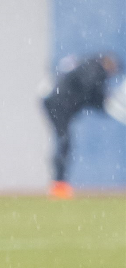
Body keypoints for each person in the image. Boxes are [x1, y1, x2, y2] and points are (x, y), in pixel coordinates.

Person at [42, 52, 122, 196]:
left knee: (64, 142)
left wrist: (104, 102)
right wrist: (104, 100)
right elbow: (90, 89)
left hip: (59, 106)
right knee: (64, 141)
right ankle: (58, 185)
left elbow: (91, 96)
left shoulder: (90, 68)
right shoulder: (94, 68)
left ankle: (59, 183)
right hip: (58, 106)